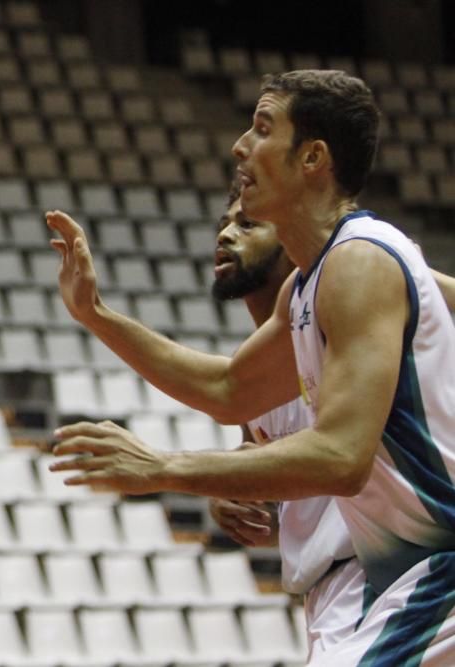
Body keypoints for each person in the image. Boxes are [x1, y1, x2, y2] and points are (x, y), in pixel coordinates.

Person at [47, 70, 455, 664]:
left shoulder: (360, 262)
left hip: (436, 573)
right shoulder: (309, 286)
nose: (240, 146)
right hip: (397, 579)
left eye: (263, 128)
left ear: (313, 157)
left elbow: (342, 458)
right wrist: (97, 313)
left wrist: (164, 466)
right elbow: (229, 388)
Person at [208, 183, 365, 662]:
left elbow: (342, 466)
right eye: (224, 226)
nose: (226, 236)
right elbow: (296, 507)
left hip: (389, 572)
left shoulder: (347, 318)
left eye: (247, 224)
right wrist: (230, 494)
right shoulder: (254, 373)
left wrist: (174, 470)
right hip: (327, 596)